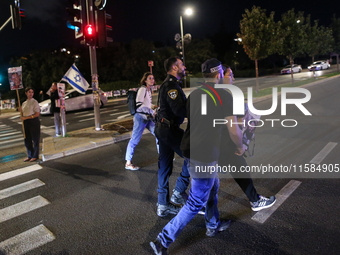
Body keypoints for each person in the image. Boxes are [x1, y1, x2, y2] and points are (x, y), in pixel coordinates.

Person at [150, 58, 244, 254]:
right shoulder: (224, 96)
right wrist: (240, 146)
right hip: (205, 154)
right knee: (195, 201)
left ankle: (212, 224)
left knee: (213, 186)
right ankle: (163, 240)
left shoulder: (194, 95)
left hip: (192, 149)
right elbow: (233, 129)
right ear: (218, 74)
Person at [154, 56, 189, 217]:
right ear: (174, 67)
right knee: (195, 155)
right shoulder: (171, 86)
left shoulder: (168, 84)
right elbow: (179, 110)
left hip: (164, 130)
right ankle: (179, 191)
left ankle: (162, 205)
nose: (184, 67)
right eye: (181, 65)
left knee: (164, 168)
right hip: (170, 130)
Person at [125, 72, 158, 170]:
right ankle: (128, 162)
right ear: (145, 80)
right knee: (134, 140)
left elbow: (147, 104)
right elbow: (139, 105)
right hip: (140, 118)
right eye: (150, 78)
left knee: (158, 134)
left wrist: (154, 106)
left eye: (153, 78)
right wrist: (152, 111)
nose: (152, 80)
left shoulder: (148, 90)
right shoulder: (142, 89)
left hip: (147, 118)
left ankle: (163, 156)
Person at [19, 87, 41, 162]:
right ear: (26, 93)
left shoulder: (35, 102)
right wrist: (21, 111)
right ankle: (30, 155)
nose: (31, 94)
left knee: (35, 139)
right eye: (29, 92)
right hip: (26, 122)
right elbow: (23, 114)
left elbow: (37, 114)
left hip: (33, 121)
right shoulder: (24, 103)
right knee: (27, 139)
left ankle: (35, 155)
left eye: (32, 92)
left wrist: (26, 118)